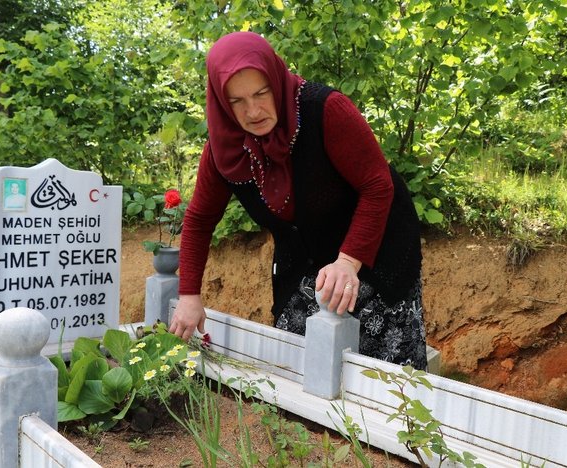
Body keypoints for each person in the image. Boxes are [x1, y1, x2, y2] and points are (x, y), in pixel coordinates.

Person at [169, 31, 426, 369]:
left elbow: (377, 185)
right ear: (221, 101)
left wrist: (348, 262)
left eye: (262, 93)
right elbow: (200, 220)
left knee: (384, 378)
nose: (254, 110)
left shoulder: (324, 110)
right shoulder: (224, 149)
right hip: (306, 258)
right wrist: (189, 296)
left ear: (276, 82)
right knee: (296, 368)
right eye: (237, 101)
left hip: (376, 248)